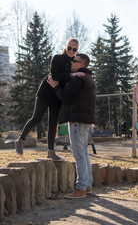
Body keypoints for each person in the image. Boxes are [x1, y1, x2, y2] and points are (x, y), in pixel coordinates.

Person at [15, 38, 84, 160]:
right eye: (69, 48)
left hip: (57, 95)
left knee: (53, 123)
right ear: (65, 46)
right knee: (36, 118)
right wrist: (71, 75)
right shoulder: (57, 58)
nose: (71, 51)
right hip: (46, 92)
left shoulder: (74, 63)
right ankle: (20, 140)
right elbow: (55, 75)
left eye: (74, 49)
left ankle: (50, 151)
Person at [48, 53, 96, 199]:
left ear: (81, 64)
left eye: (74, 61)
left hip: (77, 120)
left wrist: (55, 87)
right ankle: (87, 186)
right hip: (85, 120)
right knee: (84, 153)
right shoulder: (88, 78)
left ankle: (81, 188)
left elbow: (65, 97)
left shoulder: (78, 78)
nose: (71, 63)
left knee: (78, 154)